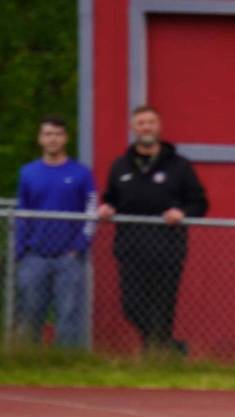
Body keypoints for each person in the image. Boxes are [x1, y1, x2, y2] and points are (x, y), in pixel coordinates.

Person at [96, 105, 208, 354]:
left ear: (159, 127)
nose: (146, 127)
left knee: (163, 305)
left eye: (150, 122)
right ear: (133, 128)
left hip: (168, 248)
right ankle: (168, 346)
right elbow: (110, 198)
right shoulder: (120, 166)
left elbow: (200, 203)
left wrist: (182, 213)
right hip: (131, 248)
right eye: (141, 123)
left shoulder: (179, 166)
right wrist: (107, 208)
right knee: (132, 305)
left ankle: (155, 358)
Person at [13, 115, 97, 347]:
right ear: (41, 139)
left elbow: (91, 211)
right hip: (34, 256)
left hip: (68, 257)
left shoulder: (81, 173)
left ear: (65, 138)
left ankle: (64, 364)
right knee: (31, 310)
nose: (53, 139)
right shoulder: (28, 173)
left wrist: (78, 248)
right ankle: (27, 359)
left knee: (68, 312)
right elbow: (22, 213)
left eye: (58, 134)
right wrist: (22, 250)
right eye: (48, 134)